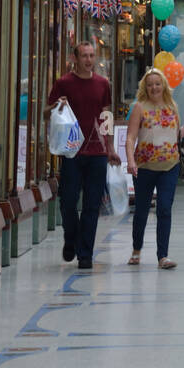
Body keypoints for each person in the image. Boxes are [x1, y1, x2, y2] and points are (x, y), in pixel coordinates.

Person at [45, 41, 119, 270]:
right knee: (68, 201)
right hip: (72, 151)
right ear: (74, 58)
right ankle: (71, 238)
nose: (89, 60)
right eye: (84, 56)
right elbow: (46, 113)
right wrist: (57, 105)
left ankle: (85, 254)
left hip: (96, 152)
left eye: (91, 55)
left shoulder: (102, 84)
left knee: (91, 204)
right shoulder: (63, 83)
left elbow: (106, 116)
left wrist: (111, 148)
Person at [125, 68, 181, 269]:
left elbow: (176, 134)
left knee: (164, 209)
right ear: (145, 88)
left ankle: (162, 256)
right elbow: (131, 137)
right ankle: (136, 249)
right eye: (150, 85)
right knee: (141, 211)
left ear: (164, 85)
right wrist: (131, 161)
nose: (154, 87)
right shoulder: (140, 107)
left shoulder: (172, 106)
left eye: (157, 83)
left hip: (170, 165)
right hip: (144, 166)